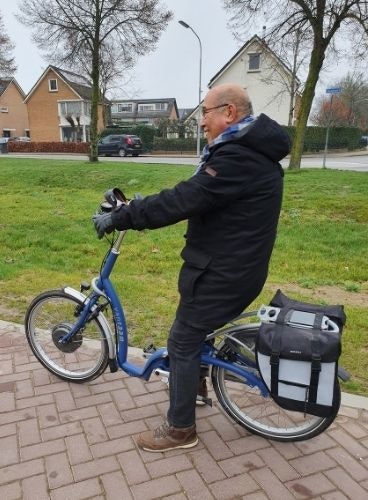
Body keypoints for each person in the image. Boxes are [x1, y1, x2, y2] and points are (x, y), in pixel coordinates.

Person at [92, 83, 290, 452]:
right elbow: (198, 193)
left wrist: (126, 216)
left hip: (223, 273)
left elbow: (187, 198)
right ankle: (195, 386)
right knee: (196, 332)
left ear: (229, 112)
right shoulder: (248, 152)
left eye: (206, 112)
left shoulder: (238, 157)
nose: (201, 122)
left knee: (182, 340)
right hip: (235, 266)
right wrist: (139, 205)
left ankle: (181, 429)